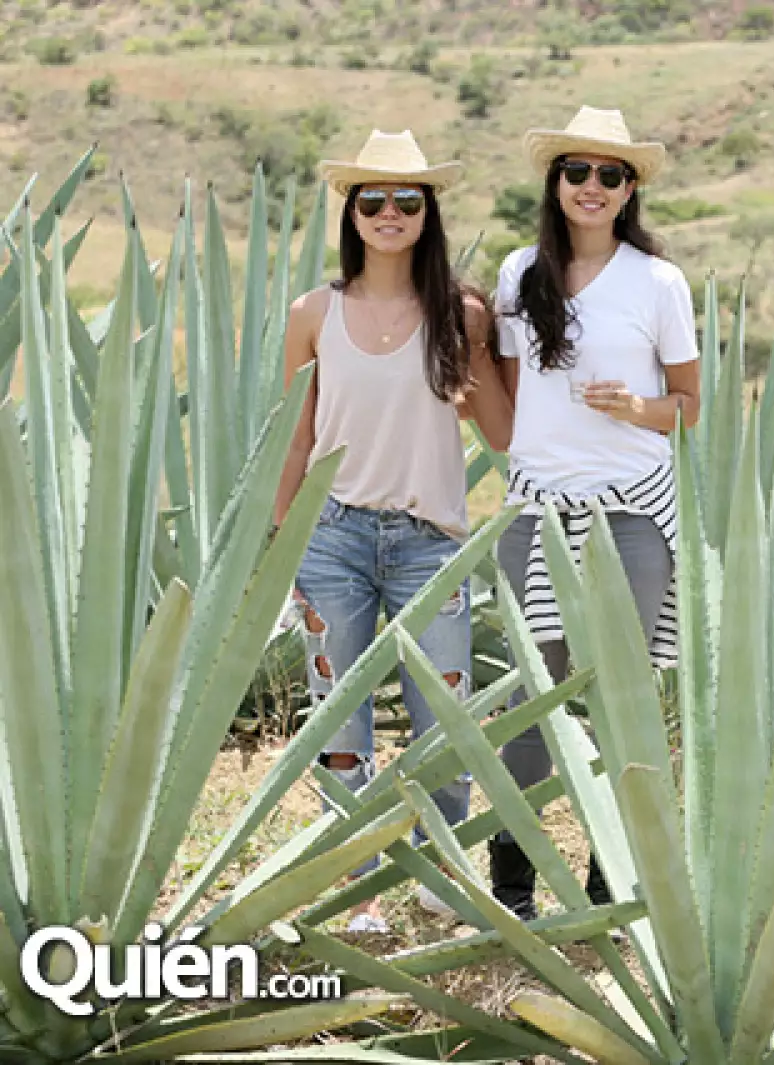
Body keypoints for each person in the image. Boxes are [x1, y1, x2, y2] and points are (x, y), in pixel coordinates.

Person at [273, 129, 514, 934]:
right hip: (331, 537)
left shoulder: (462, 312)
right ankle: (356, 890)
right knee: (338, 721)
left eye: (406, 200)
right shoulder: (314, 313)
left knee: (446, 717)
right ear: (352, 212)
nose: (388, 213)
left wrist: (508, 346)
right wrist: (279, 542)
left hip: (431, 541)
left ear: (428, 212)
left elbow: (502, 433)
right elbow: (296, 435)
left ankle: (441, 874)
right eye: (371, 199)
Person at [490, 106, 701, 918]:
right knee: (529, 692)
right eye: (577, 171)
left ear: (629, 189)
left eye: (609, 175)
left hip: (633, 512)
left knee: (625, 692)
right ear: (555, 181)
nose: (591, 186)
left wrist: (634, 408)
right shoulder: (519, 275)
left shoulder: (658, 283)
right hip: (537, 506)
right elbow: (511, 398)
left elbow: (688, 407)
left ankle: (612, 874)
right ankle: (513, 879)